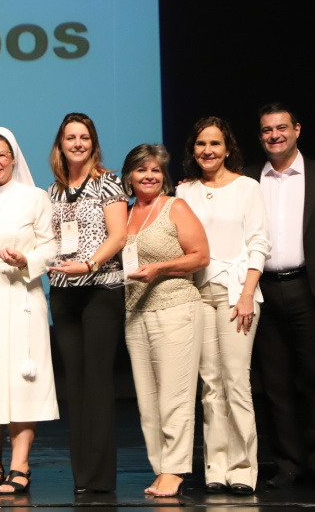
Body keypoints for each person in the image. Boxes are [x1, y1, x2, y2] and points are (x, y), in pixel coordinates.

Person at [175, 117, 269, 495]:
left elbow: (259, 242)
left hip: (236, 294)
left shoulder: (248, 187)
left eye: (214, 144)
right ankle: (216, 467)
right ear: (193, 150)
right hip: (197, 295)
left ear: (227, 148)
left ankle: (244, 468)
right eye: (201, 144)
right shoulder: (185, 193)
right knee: (210, 385)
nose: (207, 151)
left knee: (236, 382)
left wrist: (247, 293)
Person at [0, 127, 59, 494]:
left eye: (1, 154)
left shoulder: (35, 197)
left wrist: (25, 259)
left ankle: (20, 463)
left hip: (22, 293)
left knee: (23, 377)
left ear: (14, 157)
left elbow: (50, 248)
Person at [121, 144, 209, 497]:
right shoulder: (124, 214)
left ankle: (175, 470)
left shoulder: (175, 206)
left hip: (176, 308)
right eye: (142, 170)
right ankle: (160, 468)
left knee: (175, 396)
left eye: (155, 170)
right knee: (148, 400)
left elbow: (201, 255)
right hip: (135, 312)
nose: (149, 176)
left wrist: (160, 268)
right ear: (129, 175)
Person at [46, 113, 127, 493]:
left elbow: (119, 236)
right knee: (74, 385)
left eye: (84, 137)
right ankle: (82, 476)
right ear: (60, 144)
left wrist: (90, 264)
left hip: (100, 290)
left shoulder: (108, 183)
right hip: (63, 293)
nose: (77, 143)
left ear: (93, 142)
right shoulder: (53, 191)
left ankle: (100, 477)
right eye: (70, 138)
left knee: (97, 382)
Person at [245, 102, 315, 488]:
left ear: (297, 130)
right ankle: (288, 462)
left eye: (282, 128)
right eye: (268, 130)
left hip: (308, 288)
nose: (275, 135)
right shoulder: (248, 178)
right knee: (276, 383)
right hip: (264, 290)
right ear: (261, 137)